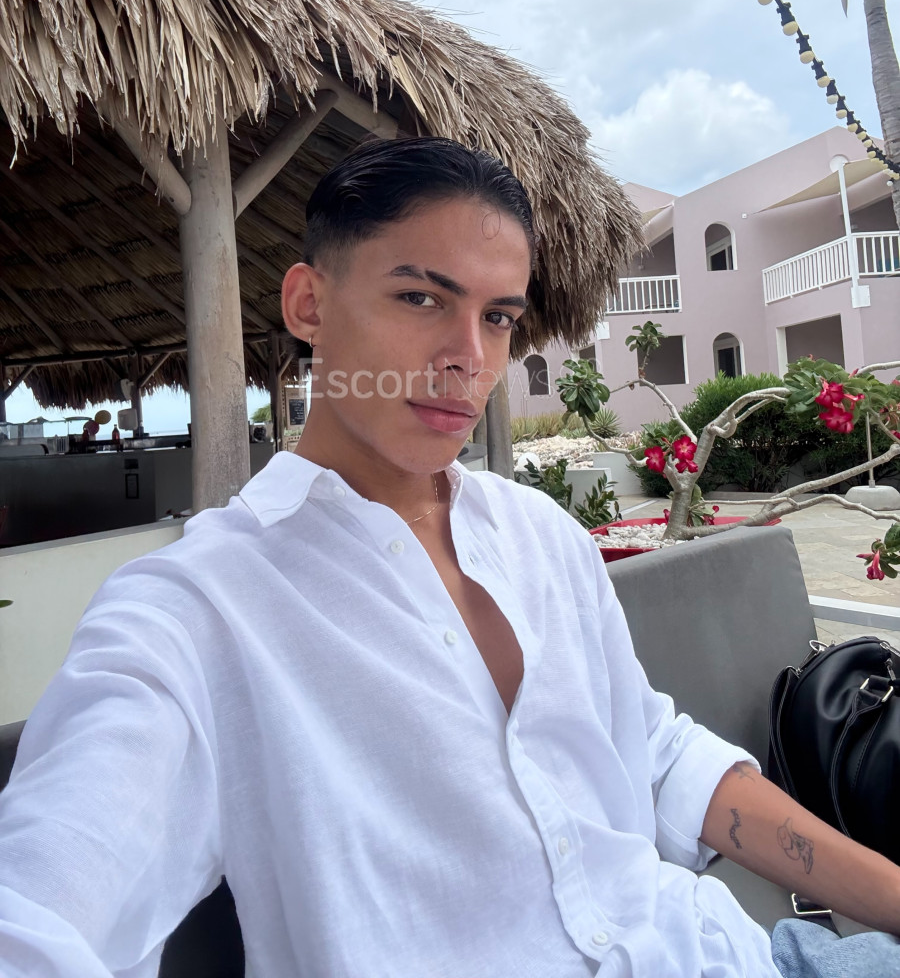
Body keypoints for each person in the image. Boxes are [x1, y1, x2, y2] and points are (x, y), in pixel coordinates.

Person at [0, 137, 898, 978]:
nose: (469, 358)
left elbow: (654, 754)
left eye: (498, 317)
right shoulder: (193, 613)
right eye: (421, 298)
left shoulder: (538, 535)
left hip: (731, 953)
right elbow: (41, 905)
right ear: (309, 304)